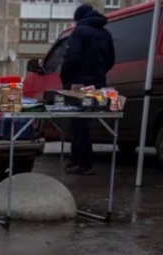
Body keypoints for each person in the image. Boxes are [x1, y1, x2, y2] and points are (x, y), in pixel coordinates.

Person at [60, 4, 115, 175]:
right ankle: (79, 162)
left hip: (78, 86)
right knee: (84, 123)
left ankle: (83, 164)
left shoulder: (80, 32)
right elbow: (111, 60)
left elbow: (72, 58)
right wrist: (97, 75)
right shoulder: (105, 34)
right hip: (97, 86)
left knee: (78, 124)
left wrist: (65, 76)